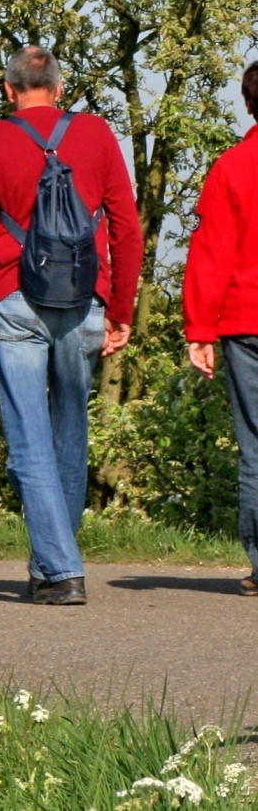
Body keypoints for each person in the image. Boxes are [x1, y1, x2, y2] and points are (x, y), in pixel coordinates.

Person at [0, 46, 142, 605]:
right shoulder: (96, 134)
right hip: (85, 300)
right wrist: (120, 309)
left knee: (28, 436)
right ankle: (53, 562)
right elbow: (128, 229)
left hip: (15, 297)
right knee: (69, 431)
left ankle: (61, 569)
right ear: (59, 86)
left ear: (8, 90)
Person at [183, 60, 258, 597]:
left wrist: (200, 330)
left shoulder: (232, 167)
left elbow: (211, 255)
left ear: (249, 104)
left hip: (245, 322)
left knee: (255, 445)